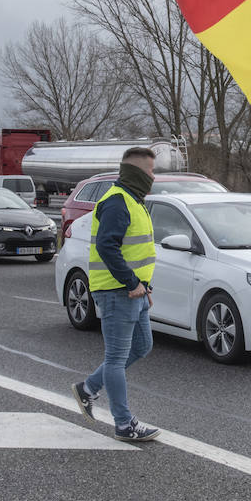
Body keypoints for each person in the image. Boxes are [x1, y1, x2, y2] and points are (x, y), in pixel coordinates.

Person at [71, 147, 161, 442]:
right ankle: (124, 424)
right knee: (116, 358)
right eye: (150, 171)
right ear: (136, 173)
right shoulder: (117, 202)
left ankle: (88, 388)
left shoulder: (133, 201)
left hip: (134, 291)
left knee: (142, 346)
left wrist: (143, 286)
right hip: (117, 291)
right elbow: (108, 247)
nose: (153, 176)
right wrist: (131, 282)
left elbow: (135, 250)